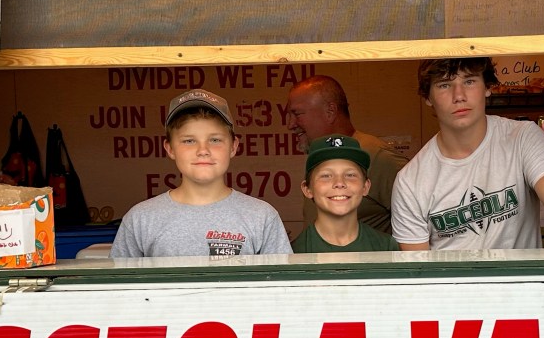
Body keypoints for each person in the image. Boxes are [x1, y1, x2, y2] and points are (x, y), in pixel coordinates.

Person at [391, 57, 544, 252]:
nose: (459, 96)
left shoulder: (522, 137)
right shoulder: (410, 181)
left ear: (487, 88)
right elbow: (418, 270)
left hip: (523, 294)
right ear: (428, 97)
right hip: (455, 297)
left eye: (469, 81)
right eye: (444, 85)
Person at [110, 89, 291, 258]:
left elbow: (283, 281)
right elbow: (118, 281)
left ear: (233, 146)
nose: (203, 150)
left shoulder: (261, 216)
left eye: (215, 140)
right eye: (189, 141)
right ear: (170, 148)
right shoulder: (141, 219)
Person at [285, 75, 408, 233]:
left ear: (330, 112)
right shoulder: (317, 157)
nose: (290, 124)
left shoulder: (378, 158)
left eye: (297, 114)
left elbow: (420, 222)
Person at [291, 135, 400, 253]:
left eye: (350, 175)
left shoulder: (386, 247)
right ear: (307, 189)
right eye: (326, 176)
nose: (339, 183)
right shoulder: (294, 252)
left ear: (365, 186)